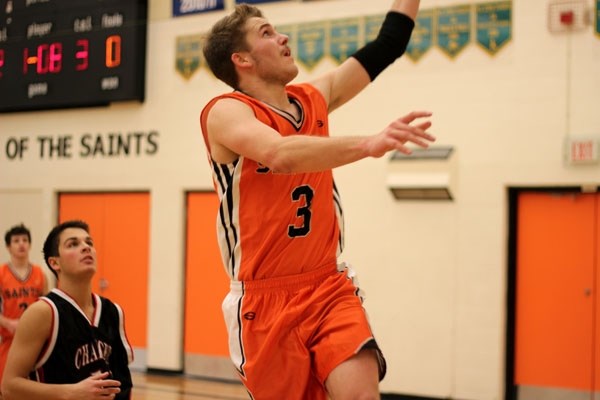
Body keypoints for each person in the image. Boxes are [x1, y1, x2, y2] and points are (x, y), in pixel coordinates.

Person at [200, 1, 434, 399]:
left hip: (328, 286)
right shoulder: (225, 112)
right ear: (242, 59)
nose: (282, 37)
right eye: (266, 33)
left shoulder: (313, 97)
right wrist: (368, 143)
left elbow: (388, 44)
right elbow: (279, 154)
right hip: (264, 301)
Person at [1, 220, 133, 400]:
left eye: (89, 243)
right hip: (12, 337)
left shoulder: (114, 311)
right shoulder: (43, 312)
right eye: (73, 244)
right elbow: (9, 387)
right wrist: (73, 393)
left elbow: (123, 382)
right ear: (55, 263)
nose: (86, 247)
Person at [0, 224, 48, 384]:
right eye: (16, 240)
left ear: (30, 244)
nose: (21, 243)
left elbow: (48, 305)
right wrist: (8, 323)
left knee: (35, 387)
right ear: (8, 246)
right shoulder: (1, 273)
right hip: (9, 340)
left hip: (35, 340)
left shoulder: (40, 273)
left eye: (25, 240)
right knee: (7, 387)